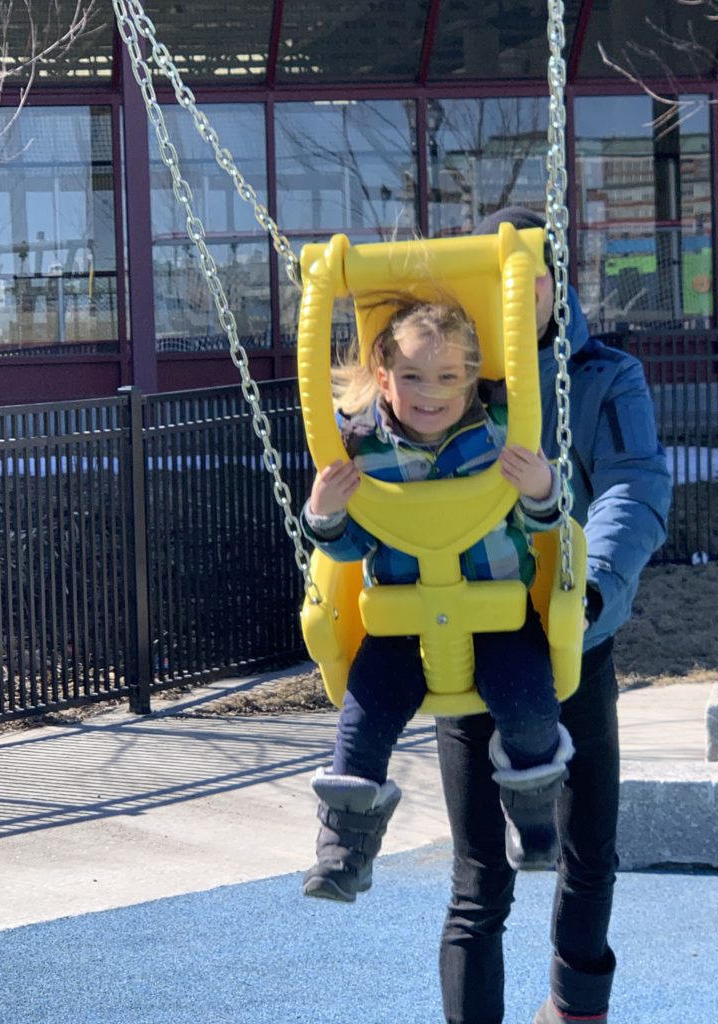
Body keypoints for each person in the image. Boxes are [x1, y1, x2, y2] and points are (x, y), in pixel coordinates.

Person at [435, 208, 672, 1024]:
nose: (513, 291)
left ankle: (574, 1011)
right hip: (469, 639)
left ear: (556, 282)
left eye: (529, 276)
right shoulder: (449, 381)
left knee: (587, 849)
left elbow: (632, 485)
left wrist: (591, 587)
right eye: (496, 277)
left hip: (572, 640)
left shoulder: (601, 376)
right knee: (479, 874)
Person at [301, 295, 575, 904]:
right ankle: (344, 849)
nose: (432, 392)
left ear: (472, 378)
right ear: (383, 378)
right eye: (413, 376)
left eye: (449, 376)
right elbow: (349, 549)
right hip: (402, 621)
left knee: (530, 705)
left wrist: (541, 487)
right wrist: (325, 513)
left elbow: (544, 521)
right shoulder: (361, 449)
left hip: (496, 611)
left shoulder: (501, 433)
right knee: (363, 718)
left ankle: (534, 821)